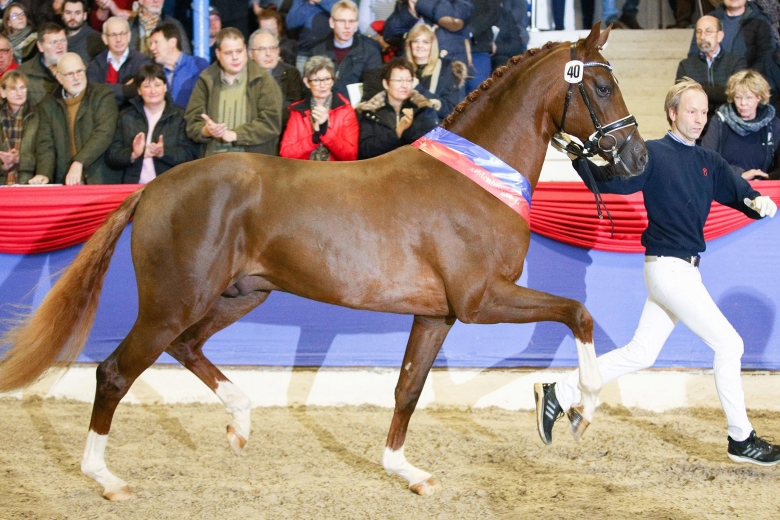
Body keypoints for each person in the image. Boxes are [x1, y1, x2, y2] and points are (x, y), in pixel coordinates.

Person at [535, 79, 780, 467]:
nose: (699, 119)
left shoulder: (709, 162)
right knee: (730, 345)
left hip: (682, 272)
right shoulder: (652, 154)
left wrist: (758, 203)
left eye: (704, 112)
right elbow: (613, 184)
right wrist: (580, 159)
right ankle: (741, 438)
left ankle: (560, 393)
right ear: (672, 113)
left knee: (641, 352)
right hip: (668, 270)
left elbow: (739, 194)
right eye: (691, 111)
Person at [184, 28, 282, 157]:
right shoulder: (206, 80)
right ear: (218, 54)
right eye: (228, 53)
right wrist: (206, 130)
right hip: (213, 161)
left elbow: (271, 124)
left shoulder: (264, 81)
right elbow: (192, 123)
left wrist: (235, 135)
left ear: (246, 49)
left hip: (253, 164)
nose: (235, 57)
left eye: (239, 51)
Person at [35, 52, 119, 184]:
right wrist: (44, 173)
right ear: (58, 77)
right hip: (65, 181)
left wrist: (79, 162)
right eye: (70, 74)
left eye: (79, 71)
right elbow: (46, 145)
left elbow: (103, 134)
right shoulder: (48, 105)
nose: (76, 78)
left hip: (99, 179)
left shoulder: (102, 95)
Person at [105, 63, 196, 184]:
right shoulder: (126, 116)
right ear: (139, 90)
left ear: (165, 87)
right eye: (147, 86)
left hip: (170, 188)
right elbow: (112, 155)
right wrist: (132, 154)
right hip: (133, 188)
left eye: (157, 85)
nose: (153, 91)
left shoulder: (179, 116)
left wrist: (163, 152)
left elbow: (190, 155)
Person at [702, 69, 780, 180]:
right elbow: (707, 159)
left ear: (759, 97)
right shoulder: (720, 121)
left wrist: (769, 177)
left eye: (749, 97)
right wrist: (741, 174)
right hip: (727, 184)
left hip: (762, 188)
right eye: (738, 97)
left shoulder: (772, 123)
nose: (743, 103)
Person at [356, 57, 438, 159]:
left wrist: (409, 130)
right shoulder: (371, 111)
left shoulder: (423, 107)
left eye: (409, 80)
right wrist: (396, 134)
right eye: (399, 80)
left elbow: (434, 147)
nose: (404, 85)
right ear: (386, 83)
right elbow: (365, 150)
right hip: (381, 170)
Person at [279, 55, 357, 160]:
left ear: (333, 80)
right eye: (316, 80)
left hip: (336, 173)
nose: (322, 85)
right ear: (307, 82)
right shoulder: (297, 111)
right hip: (305, 172)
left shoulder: (345, 110)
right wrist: (313, 138)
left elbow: (350, 156)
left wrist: (325, 132)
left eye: (327, 79)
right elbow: (286, 153)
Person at [676, 16, 747, 126]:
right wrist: (721, 92)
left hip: (729, 126)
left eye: (708, 31)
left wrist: (699, 88)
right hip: (696, 128)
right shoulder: (685, 65)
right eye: (699, 32)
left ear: (720, 36)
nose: (702, 37)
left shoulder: (736, 62)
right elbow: (681, 100)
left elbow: (735, 95)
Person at [310, 0, 383, 103]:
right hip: (325, 109)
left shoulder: (371, 53)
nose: (347, 26)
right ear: (332, 23)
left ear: (357, 23)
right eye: (342, 21)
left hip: (357, 112)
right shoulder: (317, 51)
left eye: (351, 21)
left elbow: (373, 92)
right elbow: (312, 88)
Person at [689, 0, 776, 73]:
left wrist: (746, 79)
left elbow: (766, 58)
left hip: (747, 84)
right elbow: (694, 55)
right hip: (712, 81)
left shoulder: (761, 22)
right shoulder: (709, 20)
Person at [383, 0, 472, 66]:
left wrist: (421, 3)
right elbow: (389, 35)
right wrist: (411, 13)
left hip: (447, 64)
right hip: (411, 65)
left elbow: (455, 19)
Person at [405, 24, 465, 119]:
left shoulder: (446, 70)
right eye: (416, 41)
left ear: (432, 45)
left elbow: (450, 110)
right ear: (410, 45)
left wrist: (418, 88)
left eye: (426, 42)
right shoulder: (401, 68)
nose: (420, 45)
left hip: (435, 126)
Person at [87, 17, 150, 107]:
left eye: (122, 34)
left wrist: (104, 88)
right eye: (113, 35)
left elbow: (141, 93)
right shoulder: (95, 64)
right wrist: (126, 89)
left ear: (129, 36)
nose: (118, 39)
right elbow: (92, 92)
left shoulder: (142, 62)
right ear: (105, 38)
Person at [249, 28, 303, 132]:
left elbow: (294, 107)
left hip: (284, 131)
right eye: (262, 49)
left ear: (278, 51)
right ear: (251, 54)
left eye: (272, 48)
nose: (268, 53)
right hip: (253, 131)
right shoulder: (244, 75)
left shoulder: (291, 73)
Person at [148, 22, 207, 109]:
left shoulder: (198, 65)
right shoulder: (153, 71)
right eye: (151, 43)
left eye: (156, 42)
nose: (152, 48)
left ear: (172, 42)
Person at [0, 70, 38, 184]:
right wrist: (3, 165)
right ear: (3, 92)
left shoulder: (36, 116)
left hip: (28, 181)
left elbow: (44, 156)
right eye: (13, 89)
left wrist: (19, 159)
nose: (19, 93)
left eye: (22, 88)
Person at [18, 23, 67, 106]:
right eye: (53, 42)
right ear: (40, 46)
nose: (60, 46)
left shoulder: (79, 68)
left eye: (63, 41)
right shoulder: (23, 73)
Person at [63, 0, 105, 67]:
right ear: (62, 15)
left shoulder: (96, 39)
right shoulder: (57, 38)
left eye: (77, 13)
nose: (72, 17)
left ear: (85, 15)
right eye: (68, 13)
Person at [491, 0, 528, 69]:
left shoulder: (506, 16)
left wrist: (496, 48)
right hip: (479, 53)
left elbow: (516, 46)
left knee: (503, 62)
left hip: (500, 53)